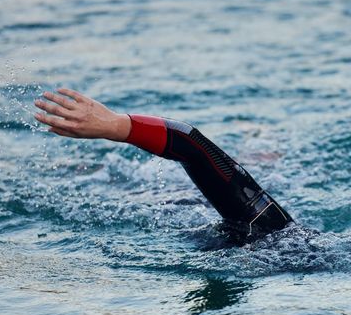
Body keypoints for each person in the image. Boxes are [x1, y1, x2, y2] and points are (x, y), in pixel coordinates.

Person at [34, 88, 293, 245]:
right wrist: (114, 125)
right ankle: (264, 139)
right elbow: (191, 143)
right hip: (192, 204)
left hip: (174, 205)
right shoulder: (272, 231)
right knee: (245, 172)